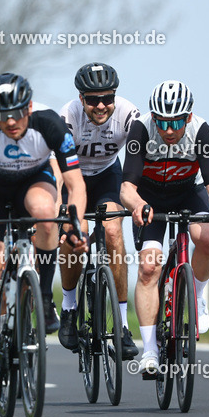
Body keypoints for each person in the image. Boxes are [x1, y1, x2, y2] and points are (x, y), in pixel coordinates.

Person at [0, 73, 87, 398]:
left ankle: (43, 296)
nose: (11, 122)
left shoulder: (50, 124)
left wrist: (76, 224)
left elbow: (75, 184)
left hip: (33, 182)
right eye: (3, 116)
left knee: (47, 214)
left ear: (29, 107)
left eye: (17, 113)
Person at [120, 80, 209, 373]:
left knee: (207, 238)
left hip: (187, 192)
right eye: (162, 121)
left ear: (187, 116)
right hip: (149, 199)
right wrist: (137, 206)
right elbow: (126, 188)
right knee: (149, 268)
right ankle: (149, 350)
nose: (169, 129)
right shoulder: (141, 129)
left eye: (175, 122)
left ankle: (196, 296)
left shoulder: (201, 131)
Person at [57, 63, 140, 359]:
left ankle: (122, 324)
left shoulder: (129, 114)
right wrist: (61, 208)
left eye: (107, 98)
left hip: (107, 176)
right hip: (72, 178)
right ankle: (69, 307)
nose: (101, 105)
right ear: (81, 99)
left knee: (114, 232)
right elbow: (56, 169)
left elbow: (142, 153)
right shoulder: (67, 117)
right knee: (72, 238)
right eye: (93, 99)